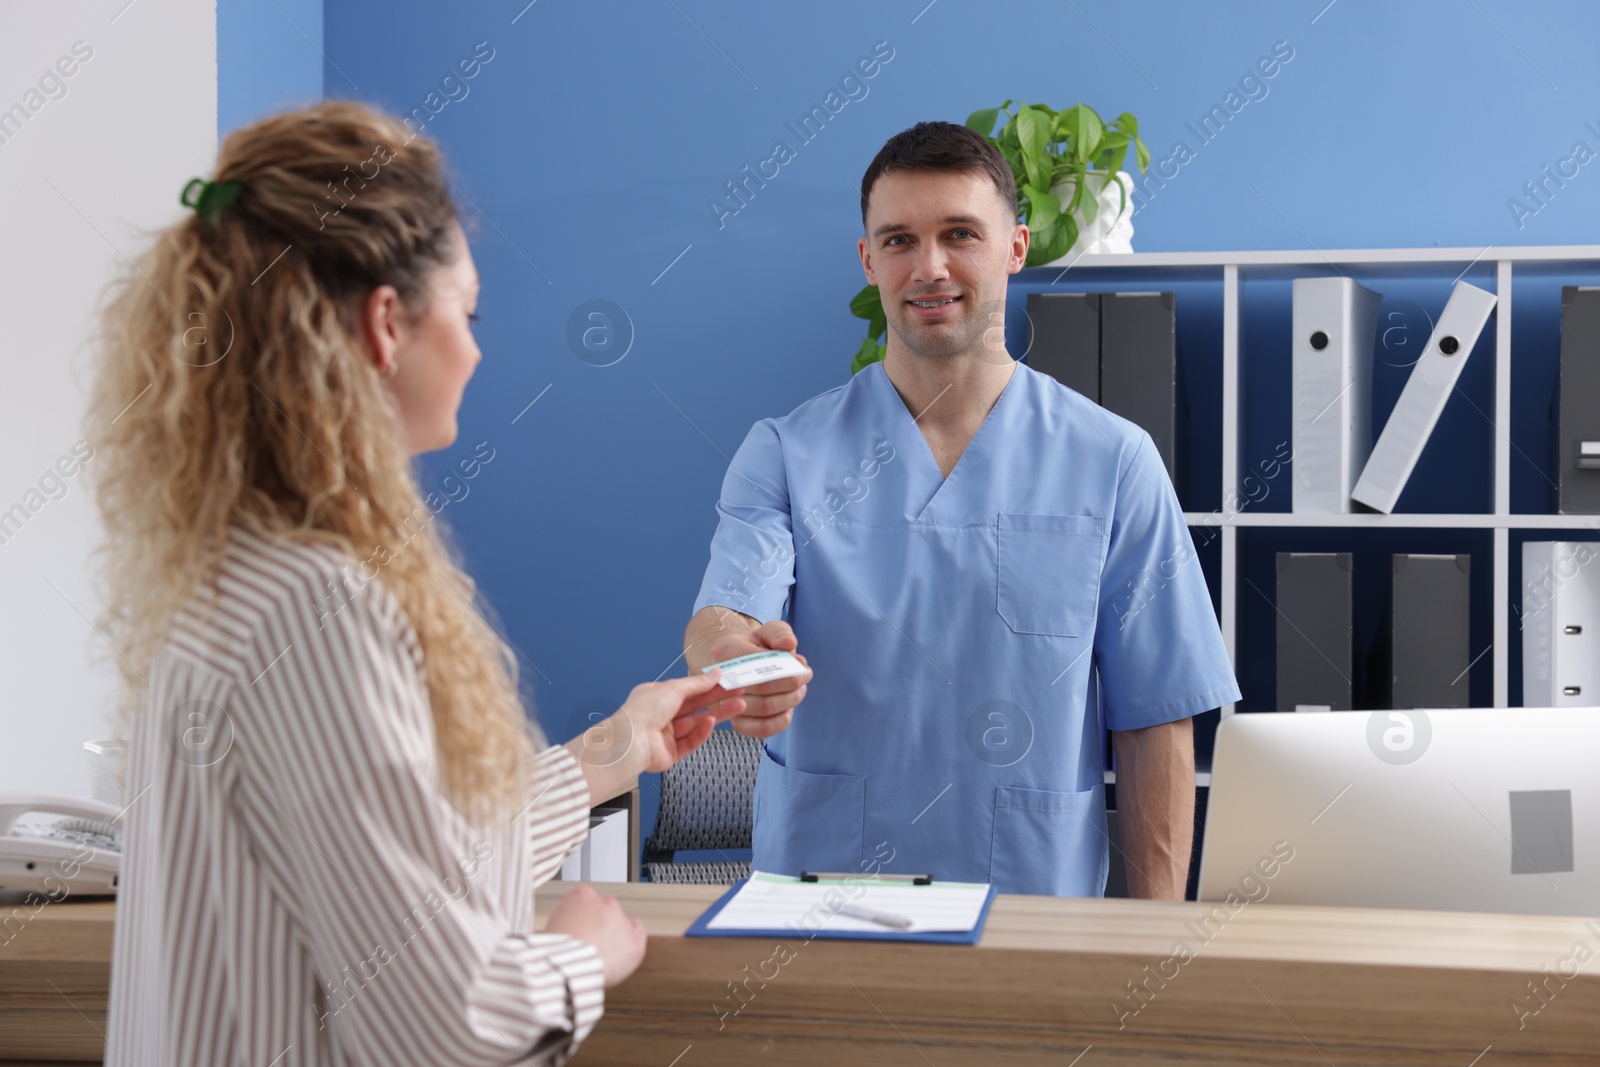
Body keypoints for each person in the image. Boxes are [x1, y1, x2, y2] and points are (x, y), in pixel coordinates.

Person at [87, 100, 745, 1065]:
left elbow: (393, 877)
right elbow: (446, 1023)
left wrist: (618, 746)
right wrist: (578, 953)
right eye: (468, 313)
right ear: (387, 322)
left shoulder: (239, 575)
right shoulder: (323, 612)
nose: (477, 350)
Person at [683, 121, 1240, 899]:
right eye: (900, 239)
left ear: (1015, 248)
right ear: (868, 258)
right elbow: (725, 612)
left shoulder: (1114, 462)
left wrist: (1152, 949)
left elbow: (1156, 717)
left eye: (959, 234)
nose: (930, 266)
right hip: (821, 903)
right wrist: (734, 656)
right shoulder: (784, 452)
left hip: (1031, 906)